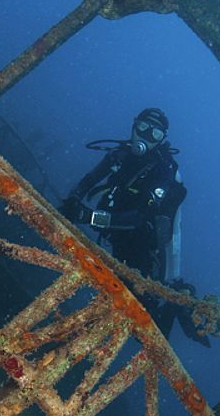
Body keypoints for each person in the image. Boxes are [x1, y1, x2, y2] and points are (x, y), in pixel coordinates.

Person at [59, 106, 209, 344]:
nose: (146, 136)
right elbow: (90, 179)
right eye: (143, 127)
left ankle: (176, 304)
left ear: (162, 139)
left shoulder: (164, 170)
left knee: (144, 318)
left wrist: (90, 217)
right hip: (117, 237)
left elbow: (139, 217)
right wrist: (73, 199)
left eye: (155, 133)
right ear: (134, 126)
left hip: (143, 245)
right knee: (118, 299)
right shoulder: (119, 155)